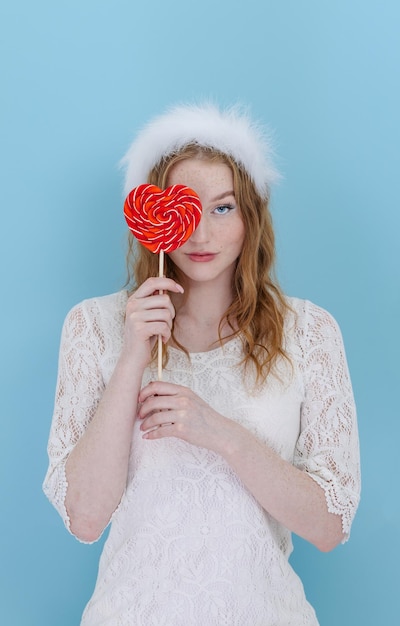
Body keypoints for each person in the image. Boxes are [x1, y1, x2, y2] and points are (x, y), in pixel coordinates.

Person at [43, 103, 361, 625]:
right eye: (184, 209)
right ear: (154, 216)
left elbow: (329, 526)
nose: (201, 235)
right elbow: (84, 518)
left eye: (222, 208)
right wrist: (132, 357)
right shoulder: (93, 326)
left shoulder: (311, 333)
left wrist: (223, 434)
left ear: (251, 216)